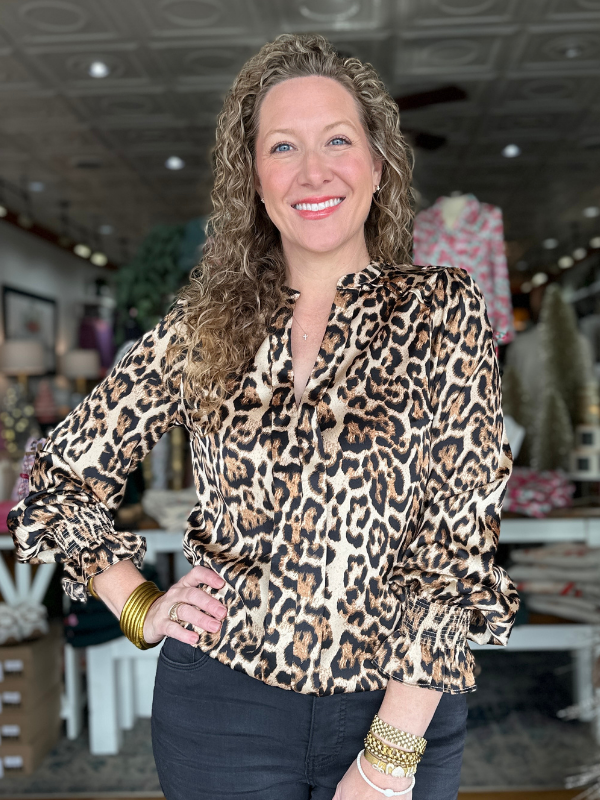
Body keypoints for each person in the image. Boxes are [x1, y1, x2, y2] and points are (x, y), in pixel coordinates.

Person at [8, 33, 520, 800]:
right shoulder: (203, 326)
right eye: (283, 147)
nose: (314, 172)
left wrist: (388, 756)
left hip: (398, 704)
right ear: (252, 177)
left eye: (338, 141)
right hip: (221, 708)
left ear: (379, 165)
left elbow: (457, 546)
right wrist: (139, 603)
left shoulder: (443, 311)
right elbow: (54, 478)